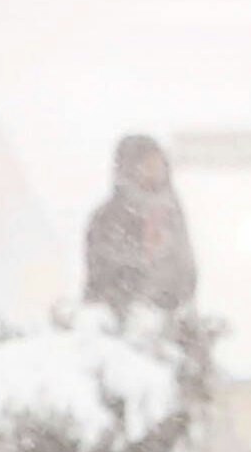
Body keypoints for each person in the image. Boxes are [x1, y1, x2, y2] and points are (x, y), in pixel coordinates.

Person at [83, 133, 198, 317]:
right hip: (121, 325)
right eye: (147, 164)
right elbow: (106, 275)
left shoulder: (171, 213)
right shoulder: (108, 217)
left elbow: (184, 266)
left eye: (159, 163)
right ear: (129, 168)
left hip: (171, 323)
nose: (155, 170)